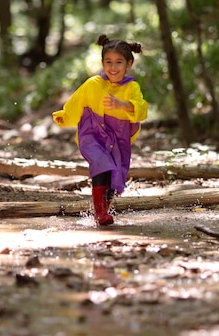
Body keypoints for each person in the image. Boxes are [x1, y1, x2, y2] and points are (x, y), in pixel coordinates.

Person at [52, 34, 148, 226]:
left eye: (119, 62)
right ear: (102, 63)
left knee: (114, 171)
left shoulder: (132, 86)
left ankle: (105, 207)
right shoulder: (93, 84)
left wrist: (122, 104)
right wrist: (65, 115)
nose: (113, 67)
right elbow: (77, 101)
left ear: (129, 64)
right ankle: (100, 213)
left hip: (118, 135)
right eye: (108, 62)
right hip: (93, 134)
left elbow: (142, 108)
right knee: (101, 164)